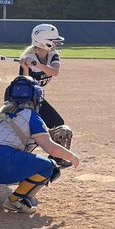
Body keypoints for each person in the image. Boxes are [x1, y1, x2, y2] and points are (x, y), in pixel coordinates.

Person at [0, 76, 80, 212]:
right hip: (1, 164)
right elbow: (50, 147)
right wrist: (72, 157)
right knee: (49, 167)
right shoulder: (30, 115)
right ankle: (17, 200)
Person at [19, 23, 75, 166]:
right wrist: (25, 67)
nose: (56, 43)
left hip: (37, 98)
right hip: (23, 99)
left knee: (58, 125)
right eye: (53, 41)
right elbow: (25, 83)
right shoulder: (28, 57)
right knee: (27, 130)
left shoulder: (52, 56)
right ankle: (18, 155)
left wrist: (37, 64)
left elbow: (54, 72)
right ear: (43, 42)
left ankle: (56, 158)